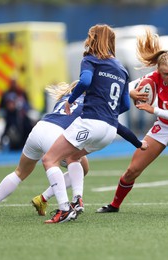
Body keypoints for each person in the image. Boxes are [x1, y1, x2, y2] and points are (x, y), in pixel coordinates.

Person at [96, 28, 168, 214]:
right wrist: (131, 93)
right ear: (159, 71)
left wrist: (153, 109)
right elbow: (124, 87)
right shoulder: (153, 78)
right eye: (166, 74)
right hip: (163, 127)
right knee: (132, 170)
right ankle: (114, 205)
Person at [40, 24, 135, 224]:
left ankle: (64, 209)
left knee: (49, 160)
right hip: (109, 131)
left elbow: (84, 82)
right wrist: (108, 113)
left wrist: (70, 99)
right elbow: (126, 104)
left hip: (90, 123)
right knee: (74, 157)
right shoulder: (121, 69)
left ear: (93, 38)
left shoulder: (90, 58)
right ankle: (77, 200)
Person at [0, 81, 88, 217]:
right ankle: (64, 205)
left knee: (19, 172)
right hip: (56, 135)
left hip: (39, 128)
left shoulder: (66, 97)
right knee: (79, 164)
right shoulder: (90, 103)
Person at [0, 79, 33, 151]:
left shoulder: (21, 114)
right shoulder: (8, 114)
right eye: (8, 103)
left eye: (11, 103)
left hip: (25, 141)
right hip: (17, 142)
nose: (9, 105)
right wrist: (1, 140)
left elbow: (28, 129)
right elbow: (7, 127)